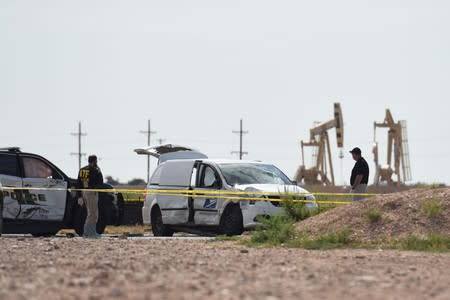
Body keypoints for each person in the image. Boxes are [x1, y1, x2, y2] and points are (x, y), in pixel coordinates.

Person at [77, 155, 103, 238]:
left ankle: (88, 232)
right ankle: (89, 233)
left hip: (83, 192)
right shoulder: (95, 170)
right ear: (95, 161)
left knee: (90, 213)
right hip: (92, 192)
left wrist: (79, 196)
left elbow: (78, 183)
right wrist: (99, 170)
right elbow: (100, 182)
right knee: (93, 214)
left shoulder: (82, 170)